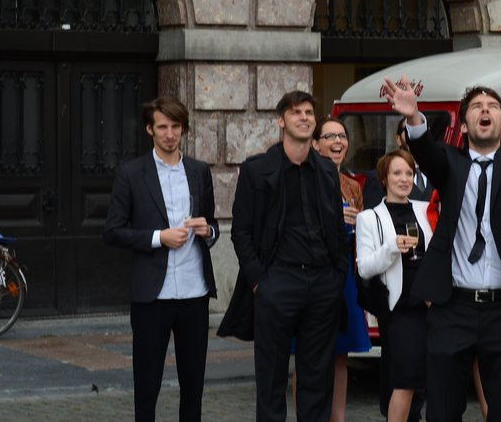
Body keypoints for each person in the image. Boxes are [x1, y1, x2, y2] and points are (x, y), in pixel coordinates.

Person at [380, 78, 501, 422]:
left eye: (492, 107)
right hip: (452, 307)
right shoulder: (449, 163)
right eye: (476, 107)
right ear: (464, 125)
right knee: (443, 409)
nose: (485, 110)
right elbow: (427, 153)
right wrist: (414, 117)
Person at [217, 91, 349, 422]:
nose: (304, 117)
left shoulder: (326, 171)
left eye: (308, 112)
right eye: (295, 112)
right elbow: (241, 232)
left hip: (322, 283)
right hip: (277, 282)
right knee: (272, 376)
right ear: (281, 121)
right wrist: (260, 280)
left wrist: (337, 275)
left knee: (318, 377)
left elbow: (335, 227)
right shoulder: (257, 170)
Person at [103, 96, 218, 422]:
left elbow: (212, 225)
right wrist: (158, 238)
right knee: (147, 385)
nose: (170, 134)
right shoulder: (131, 172)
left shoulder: (198, 171)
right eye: (163, 127)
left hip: (195, 294)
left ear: (183, 129)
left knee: (193, 386)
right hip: (153, 295)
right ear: (150, 130)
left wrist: (207, 230)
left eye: (176, 127)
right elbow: (112, 231)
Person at [356, 150, 434, 422]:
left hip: (431, 305)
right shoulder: (369, 218)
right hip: (400, 310)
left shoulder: (425, 210)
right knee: (404, 382)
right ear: (384, 178)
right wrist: (391, 248)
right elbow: (364, 267)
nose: (404, 179)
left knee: (427, 384)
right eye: (397, 173)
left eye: (409, 173)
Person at [308, 117, 371, 422]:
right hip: (312, 274)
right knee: (309, 359)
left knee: (341, 356)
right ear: (315, 143)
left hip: (345, 275)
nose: (338, 141)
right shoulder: (304, 180)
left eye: (343, 136)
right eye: (330, 135)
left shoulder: (352, 185)